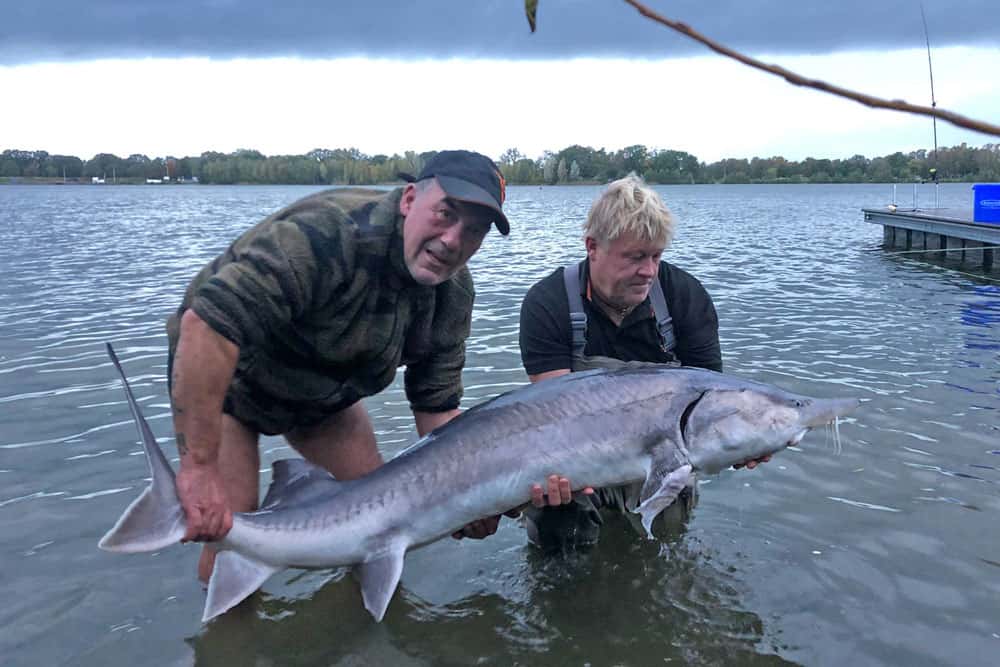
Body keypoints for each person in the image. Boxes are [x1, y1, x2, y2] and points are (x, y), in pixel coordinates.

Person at [167, 150, 531, 582]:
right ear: (410, 198)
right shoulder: (326, 233)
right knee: (231, 537)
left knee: (380, 520)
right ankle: (229, 633)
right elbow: (206, 326)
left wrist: (471, 500)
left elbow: (438, 415)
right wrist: (200, 467)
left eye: (473, 231)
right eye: (445, 214)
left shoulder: (452, 295)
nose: (453, 240)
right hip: (229, 383)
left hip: (324, 395)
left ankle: (363, 641)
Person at [518, 173, 768, 552]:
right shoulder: (547, 303)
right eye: (635, 257)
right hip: (577, 459)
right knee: (557, 521)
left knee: (660, 554)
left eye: (656, 256)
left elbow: (710, 408)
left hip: (662, 460)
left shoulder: (685, 297)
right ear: (592, 247)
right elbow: (555, 417)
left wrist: (748, 441)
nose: (649, 271)